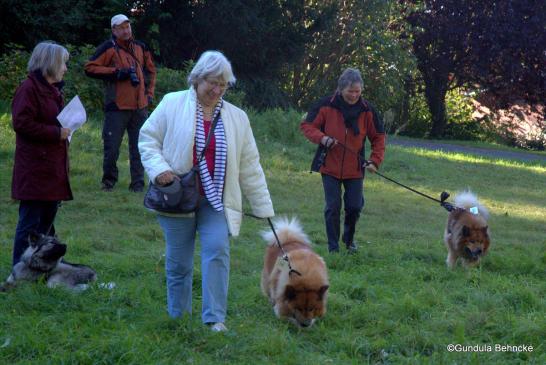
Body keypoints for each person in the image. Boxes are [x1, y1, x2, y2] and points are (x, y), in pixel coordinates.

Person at [139, 50, 274, 332]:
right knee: (179, 263)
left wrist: (263, 207)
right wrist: (158, 169)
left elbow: (250, 165)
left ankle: (215, 318)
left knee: (217, 251)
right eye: (212, 82)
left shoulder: (237, 117)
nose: (216, 90)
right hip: (177, 198)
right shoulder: (171, 103)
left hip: (217, 200)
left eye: (223, 85)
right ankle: (179, 318)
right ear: (197, 78)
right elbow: (148, 139)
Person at [300, 68, 386, 254]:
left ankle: (348, 240)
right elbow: (307, 125)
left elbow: (379, 137)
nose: (354, 95)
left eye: (357, 91)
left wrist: (374, 160)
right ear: (340, 90)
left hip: (355, 168)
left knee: (354, 207)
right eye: (350, 91)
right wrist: (322, 138)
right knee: (332, 207)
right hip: (329, 165)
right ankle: (333, 248)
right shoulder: (325, 105)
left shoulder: (367, 110)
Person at [10, 41, 72, 266]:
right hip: (35, 169)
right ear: (50, 63)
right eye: (63, 63)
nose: (65, 68)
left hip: (52, 169)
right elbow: (22, 123)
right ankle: (18, 270)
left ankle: (42, 268)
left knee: (46, 222)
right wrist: (56, 133)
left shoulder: (52, 90)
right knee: (30, 225)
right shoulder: (28, 89)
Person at [85, 14, 156, 192]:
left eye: (127, 27)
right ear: (114, 30)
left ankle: (138, 184)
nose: (126, 30)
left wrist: (149, 94)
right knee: (112, 147)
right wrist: (116, 72)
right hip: (116, 107)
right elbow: (90, 67)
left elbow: (151, 72)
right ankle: (108, 183)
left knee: (139, 147)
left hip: (140, 107)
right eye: (121, 28)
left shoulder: (141, 47)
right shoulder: (108, 47)